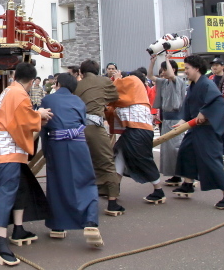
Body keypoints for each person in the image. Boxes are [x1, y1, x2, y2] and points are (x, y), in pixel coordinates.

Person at [0, 62, 51, 265]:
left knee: (19, 189)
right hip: (7, 152)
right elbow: (24, 120)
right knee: (7, 193)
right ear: (32, 81)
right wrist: (39, 115)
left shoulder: (9, 90)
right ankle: (0, 242)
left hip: (2, 148)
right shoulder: (19, 94)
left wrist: (35, 116)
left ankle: (18, 228)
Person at [41, 73, 103, 248]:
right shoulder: (79, 102)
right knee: (86, 181)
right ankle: (90, 222)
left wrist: (46, 151)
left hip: (57, 144)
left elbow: (43, 128)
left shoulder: (48, 101)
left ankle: (57, 225)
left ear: (58, 84)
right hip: (78, 143)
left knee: (56, 184)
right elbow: (82, 121)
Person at [172, 55, 224, 210]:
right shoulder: (194, 85)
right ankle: (188, 184)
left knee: (210, 160)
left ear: (196, 68)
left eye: (187, 68)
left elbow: (218, 101)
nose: (185, 71)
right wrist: (183, 120)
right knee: (186, 152)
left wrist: (205, 112)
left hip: (207, 129)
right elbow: (188, 106)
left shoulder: (207, 84)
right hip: (195, 128)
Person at [75, 60, 124, 216]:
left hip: (77, 128)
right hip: (95, 126)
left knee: (83, 164)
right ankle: (112, 202)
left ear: (81, 73)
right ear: (97, 71)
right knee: (107, 162)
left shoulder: (77, 85)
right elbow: (114, 96)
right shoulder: (104, 81)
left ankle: (82, 201)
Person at [110, 71, 165, 205]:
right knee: (119, 155)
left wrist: (117, 79)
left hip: (138, 130)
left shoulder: (133, 81)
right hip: (136, 129)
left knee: (143, 160)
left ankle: (159, 190)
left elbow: (114, 91)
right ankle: (114, 189)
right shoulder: (135, 94)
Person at [148, 56, 187, 186]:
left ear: (173, 69)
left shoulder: (179, 81)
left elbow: (171, 74)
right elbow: (150, 76)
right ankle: (175, 175)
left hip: (176, 118)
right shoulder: (163, 82)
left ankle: (183, 175)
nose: (163, 72)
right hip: (166, 119)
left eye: (164, 69)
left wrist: (167, 59)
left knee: (176, 147)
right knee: (168, 149)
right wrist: (152, 62)